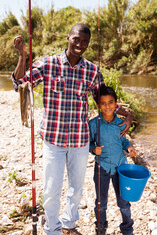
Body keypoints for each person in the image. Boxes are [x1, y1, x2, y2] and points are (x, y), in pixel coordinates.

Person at [12, 23, 133, 235]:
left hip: (80, 140)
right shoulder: (48, 64)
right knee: (51, 190)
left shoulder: (92, 70)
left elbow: (105, 100)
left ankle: (69, 223)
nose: (80, 44)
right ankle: (52, 229)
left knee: (76, 190)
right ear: (68, 38)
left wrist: (128, 115)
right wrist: (23, 56)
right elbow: (20, 82)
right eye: (76, 39)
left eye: (84, 41)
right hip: (53, 139)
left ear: (87, 43)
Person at [89, 85, 137, 235]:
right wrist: (93, 149)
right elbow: (89, 143)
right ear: (98, 105)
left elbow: (124, 141)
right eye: (103, 103)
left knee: (124, 202)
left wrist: (129, 148)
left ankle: (127, 228)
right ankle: (101, 227)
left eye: (110, 102)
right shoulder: (93, 124)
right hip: (101, 167)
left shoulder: (121, 123)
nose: (107, 106)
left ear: (116, 105)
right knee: (101, 203)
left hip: (121, 168)